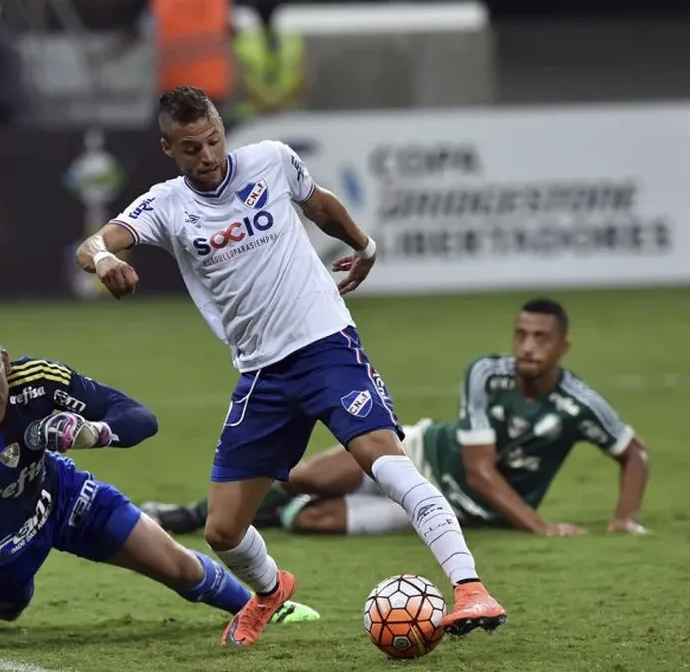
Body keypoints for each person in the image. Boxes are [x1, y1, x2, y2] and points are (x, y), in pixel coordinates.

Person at [75, 84, 506, 647]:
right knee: (223, 530)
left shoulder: (271, 160)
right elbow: (94, 242)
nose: (206, 156)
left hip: (326, 345)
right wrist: (106, 260)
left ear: (221, 130)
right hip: (263, 375)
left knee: (386, 462)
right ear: (168, 149)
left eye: (212, 140)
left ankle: (470, 588)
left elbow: (319, 202)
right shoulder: (167, 205)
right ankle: (270, 589)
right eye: (190, 148)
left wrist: (365, 246)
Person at [0, 320, 320, 628]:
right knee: (7, 606)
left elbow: (139, 418)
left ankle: (264, 606)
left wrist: (95, 433)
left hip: (61, 496)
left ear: (5, 363)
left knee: (175, 563)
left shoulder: (39, 382)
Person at [141, 298, 652, 539]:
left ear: (564, 345)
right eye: (521, 334)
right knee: (303, 477)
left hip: (451, 509)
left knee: (314, 518)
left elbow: (634, 453)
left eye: (541, 338)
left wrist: (623, 517)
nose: (527, 346)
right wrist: (539, 526)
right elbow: (479, 470)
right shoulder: (487, 374)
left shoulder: (579, 402)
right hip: (422, 455)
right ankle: (187, 516)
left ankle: (272, 516)